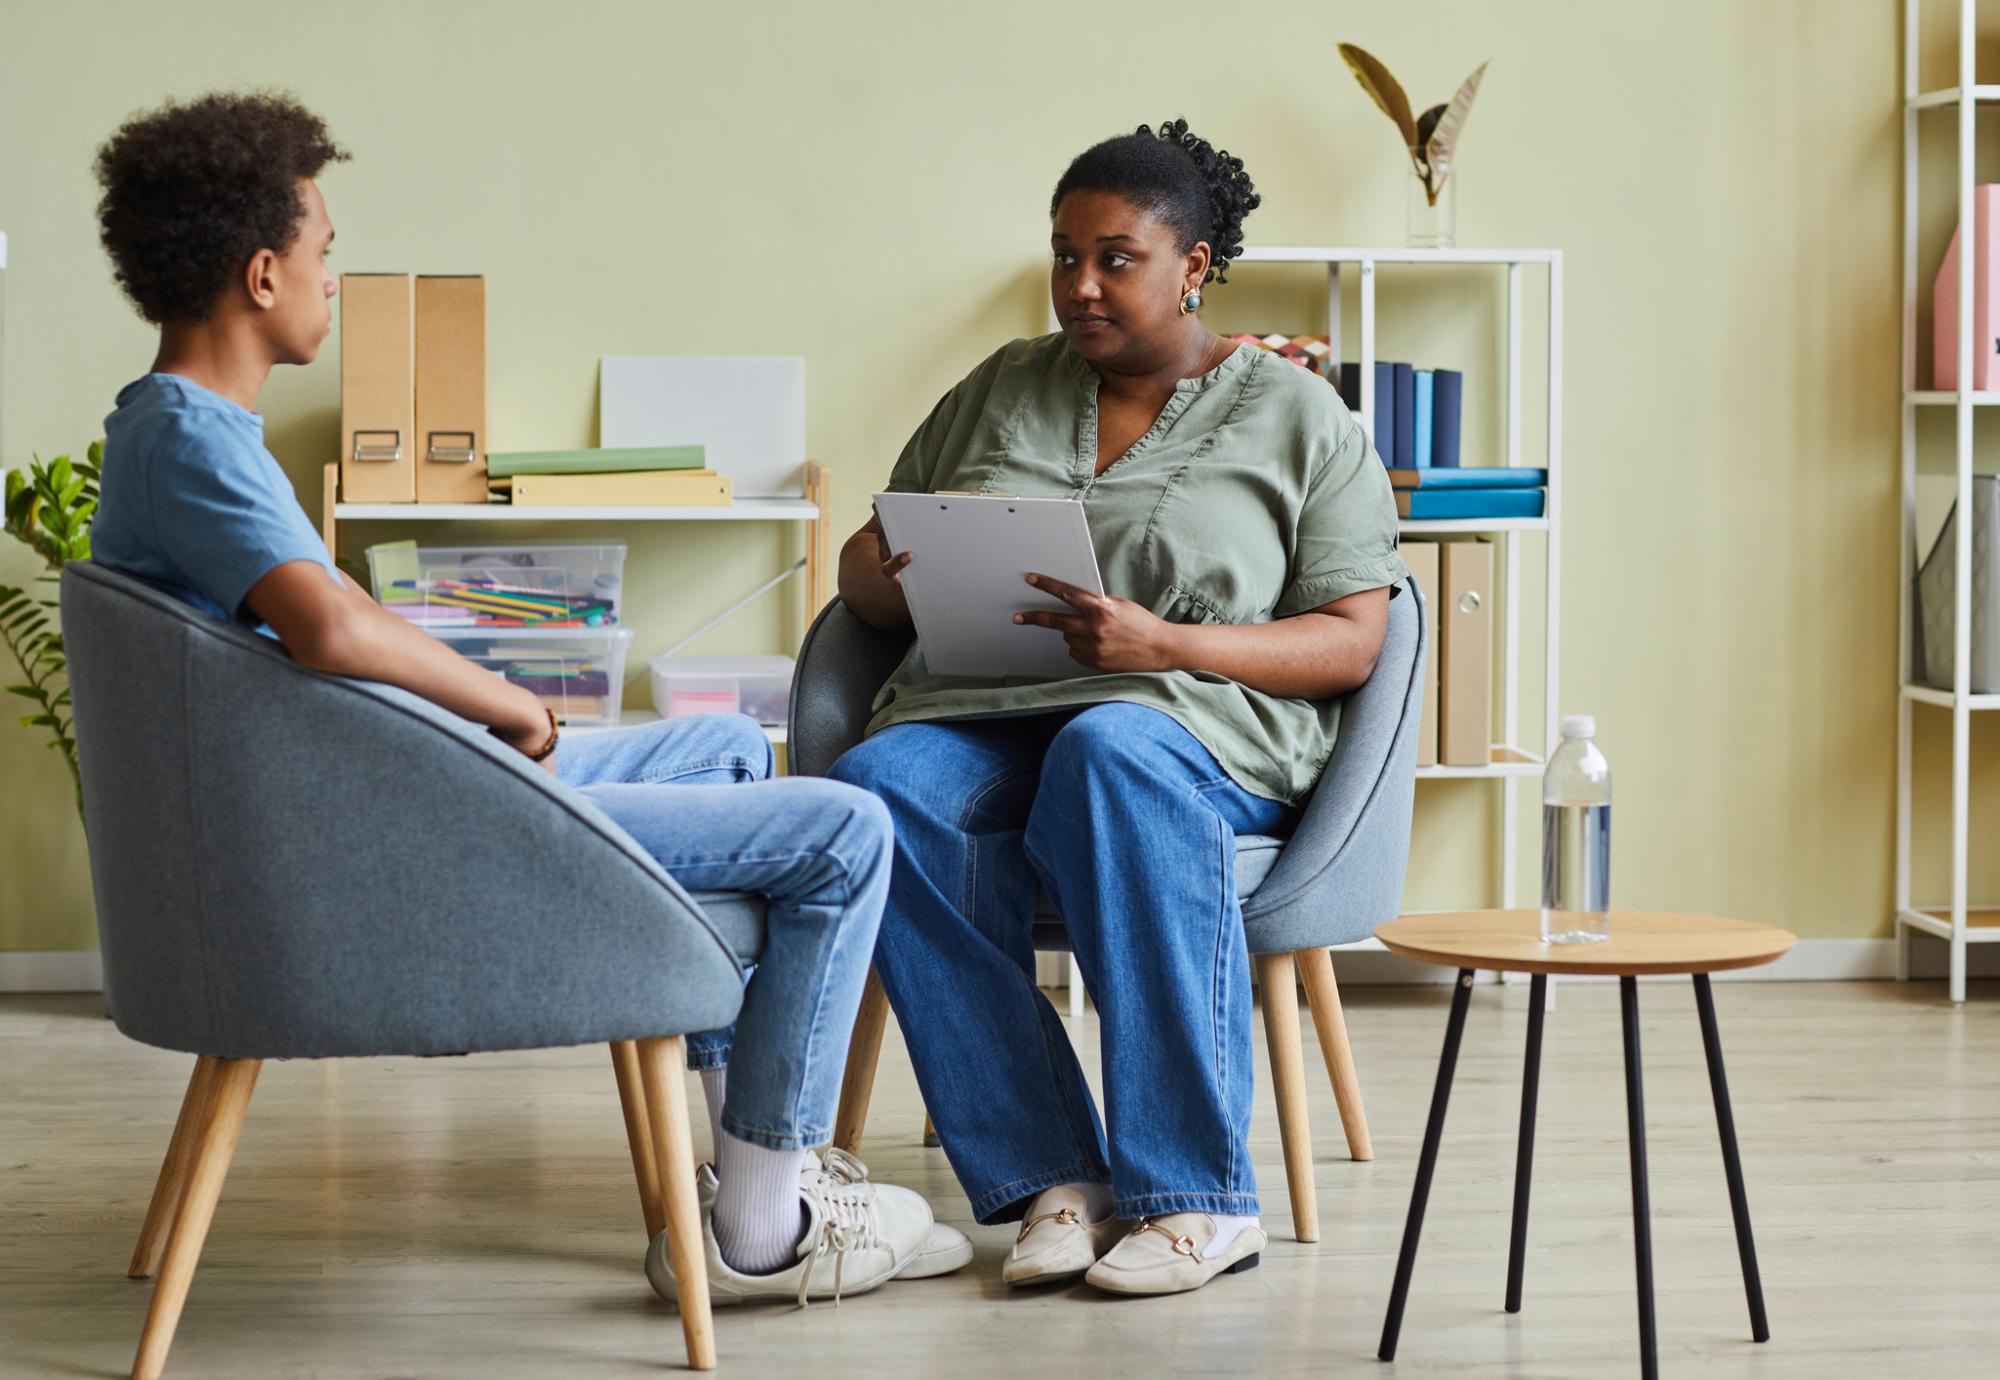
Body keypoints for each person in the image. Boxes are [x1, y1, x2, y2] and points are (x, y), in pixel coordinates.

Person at [85, 89, 965, 1306]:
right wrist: (511, 701)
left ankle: (740, 1171)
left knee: (714, 747)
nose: (333, 281)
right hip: (391, 830)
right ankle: (767, 1227)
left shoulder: (175, 433)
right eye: (325, 255)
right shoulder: (194, 441)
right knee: (844, 828)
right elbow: (334, 629)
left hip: (385, 789)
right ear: (262, 274)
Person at [829, 119, 1407, 1296]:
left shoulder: (1302, 418)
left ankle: (1193, 1196)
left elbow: (1353, 642)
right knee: (881, 789)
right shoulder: (1000, 386)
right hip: (984, 706)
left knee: (1110, 748)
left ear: (1193, 264)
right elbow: (859, 585)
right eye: (1061, 257)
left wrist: (1163, 641)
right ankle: (1057, 1178)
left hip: (1190, 724)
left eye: (1114, 258)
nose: (1078, 286)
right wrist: (888, 564)